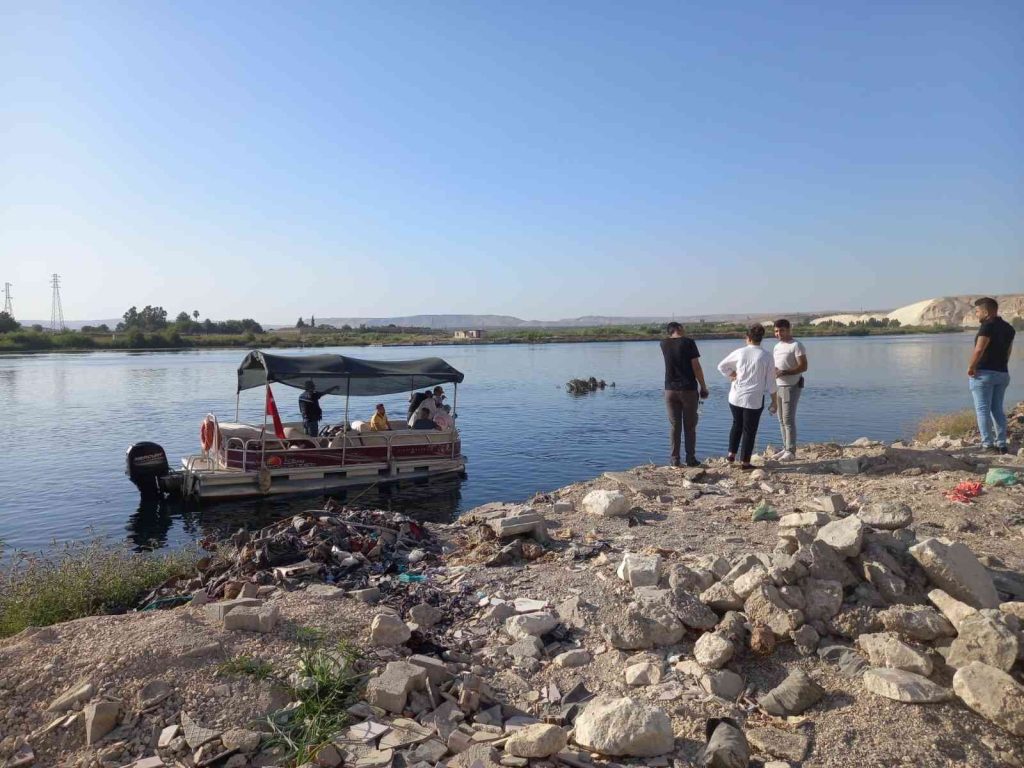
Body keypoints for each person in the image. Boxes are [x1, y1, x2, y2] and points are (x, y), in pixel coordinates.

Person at [717, 324, 778, 470]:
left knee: (736, 424)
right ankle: (745, 462)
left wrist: (733, 375)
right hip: (754, 399)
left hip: (736, 396)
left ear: (748, 338)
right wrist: (774, 401)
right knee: (749, 430)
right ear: (761, 338)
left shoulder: (740, 352)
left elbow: (721, 366)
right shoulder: (767, 356)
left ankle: (731, 455)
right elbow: (771, 382)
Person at [968, 297, 1015, 454]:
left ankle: (987, 445)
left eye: (977, 311)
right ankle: (1002, 444)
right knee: (997, 409)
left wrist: (971, 367)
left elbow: (979, 349)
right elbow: (1008, 351)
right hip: (1002, 373)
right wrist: (1002, 366)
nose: (976, 314)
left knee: (982, 410)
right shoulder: (1009, 328)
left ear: (986, 312)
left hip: (984, 374)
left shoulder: (987, 326)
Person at [660, 322, 709, 467]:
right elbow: (696, 366)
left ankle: (675, 459)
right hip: (688, 389)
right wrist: (703, 387)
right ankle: (690, 458)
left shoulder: (663, 343)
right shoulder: (688, 342)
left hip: (669, 390)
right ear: (679, 329)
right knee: (690, 425)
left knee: (675, 426)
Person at [771, 319, 808, 461]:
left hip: (791, 386)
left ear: (788, 330)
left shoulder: (796, 345)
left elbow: (803, 366)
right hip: (778, 386)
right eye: (776, 331)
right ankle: (786, 448)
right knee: (780, 419)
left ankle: (791, 451)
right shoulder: (777, 346)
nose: (778, 333)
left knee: (788, 419)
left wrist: (785, 372)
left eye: (781, 330)